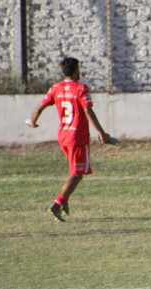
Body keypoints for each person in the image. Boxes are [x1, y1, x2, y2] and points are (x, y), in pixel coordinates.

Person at [27, 57, 115, 222]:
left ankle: (65, 201)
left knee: (76, 173)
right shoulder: (81, 89)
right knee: (77, 173)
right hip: (77, 137)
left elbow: (39, 107)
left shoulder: (56, 88)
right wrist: (102, 133)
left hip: (63, 136)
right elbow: (88, 112)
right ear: (76, 71)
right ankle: (57, 203)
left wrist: (33, 121)